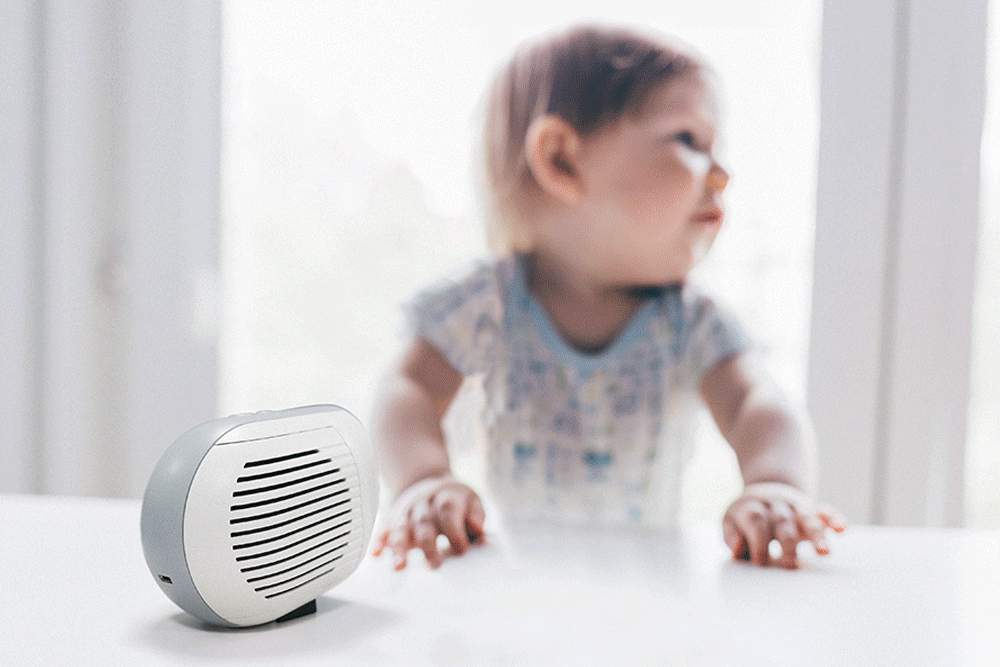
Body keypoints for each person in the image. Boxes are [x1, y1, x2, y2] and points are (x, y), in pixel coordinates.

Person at [371, 23, 846, 571]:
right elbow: (407, 388)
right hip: (518, 582)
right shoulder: (490, 304)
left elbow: (755, 403)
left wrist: (773, 483)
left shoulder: (689, 321)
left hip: (647, 587)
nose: (722, 175)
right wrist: (424, 479)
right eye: (689, 140)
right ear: (561, 161)